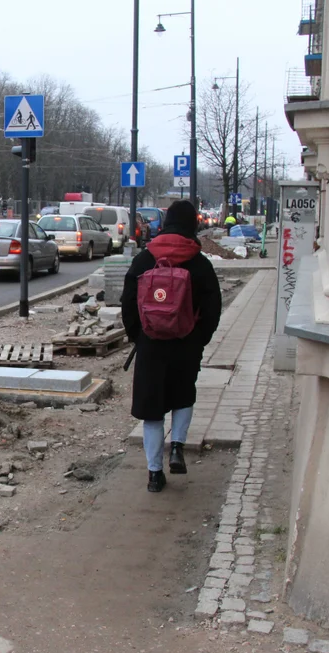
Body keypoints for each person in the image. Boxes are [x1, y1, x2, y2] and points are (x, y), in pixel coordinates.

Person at [121, 200, 222, 493]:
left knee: (152, 410)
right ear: (192, 224)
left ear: (166, 224)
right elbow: (213, 306)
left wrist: (137, 335)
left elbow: (128, 301)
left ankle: (154, 475)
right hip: (185, 342)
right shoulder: (199, 263)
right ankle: (177, 445)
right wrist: (200, 337)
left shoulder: (144, 259)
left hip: (151, 344)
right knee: (182, 395)